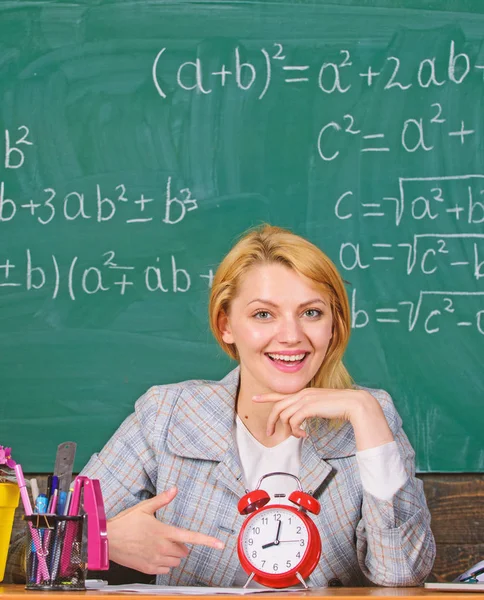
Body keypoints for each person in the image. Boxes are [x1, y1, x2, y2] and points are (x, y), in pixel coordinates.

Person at [7, 224, 436, 587]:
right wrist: (104, 539)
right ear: (226, 325)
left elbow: (400, 575)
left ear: (334, 325)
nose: (290, 336)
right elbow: (32, 553)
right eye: (264, 315)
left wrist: (368, 419)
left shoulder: (368, 418)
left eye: (310, 312)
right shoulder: (169, 414)